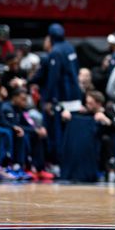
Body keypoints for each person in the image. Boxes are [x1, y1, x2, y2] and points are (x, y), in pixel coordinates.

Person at [38, 23, 83, 163]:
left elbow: (53, 78)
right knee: (73, 132)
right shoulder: (70, 47)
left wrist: (48, 99)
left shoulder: (55, 52)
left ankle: (60, 163)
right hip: (75, 96)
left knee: (59, 133)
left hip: (63, 98)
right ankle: (72, 162)